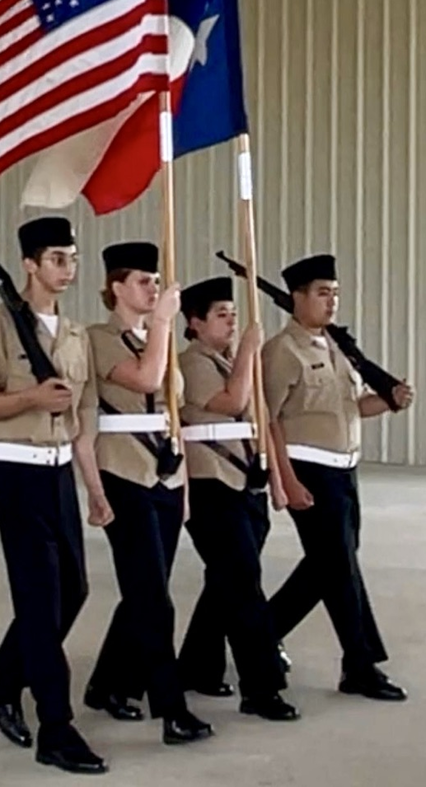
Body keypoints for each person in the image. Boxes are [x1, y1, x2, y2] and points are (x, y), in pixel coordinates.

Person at [0, 216, 112, 775]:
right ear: (29, 264)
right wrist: (32, 397)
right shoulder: (0, 324)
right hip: (15, 471)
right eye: (56, 258)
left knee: (72, 589)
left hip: (57, 474)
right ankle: (56, 727)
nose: (67, 268)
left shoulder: (75, 336)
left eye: (72, 258)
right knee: (38, 599)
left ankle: (1, 683)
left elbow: (82, 423)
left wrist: (94, 491)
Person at [262, 253, 414, 701]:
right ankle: (360, 665)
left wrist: (390, 400)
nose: (332, 303)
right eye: (323, 293)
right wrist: (285, 479)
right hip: (309, 470)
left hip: (344, 469)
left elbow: (351, 407)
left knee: (329, 565)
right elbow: (268, 420)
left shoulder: (337, 348)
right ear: (297, 298)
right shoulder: (282, 351)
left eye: (336, 294)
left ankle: (262, 630)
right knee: (341, 569)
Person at [83, 241, 213, 745]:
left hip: (164, 472)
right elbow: (145, 378)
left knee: (145, 589)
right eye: (142, 280)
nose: (154, 288)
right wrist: (162, 323)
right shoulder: (100, 338)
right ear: (116, 287)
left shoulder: (152, 335)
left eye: (156, 281)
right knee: (154, 600)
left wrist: (182, 485)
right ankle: (170, 708)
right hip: (124, 473)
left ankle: (108, 684)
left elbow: (173, 404)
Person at [176, 277, 299, 721]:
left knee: (224, 583)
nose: (231, 322)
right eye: (221, 315)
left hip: (246, 485)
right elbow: (231, 403)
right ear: (194, 323)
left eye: (233, 313)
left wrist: (279, 486)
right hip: (211, 486)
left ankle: (197, 665)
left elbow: (261, 416)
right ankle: (262, 687)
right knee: (244, 585)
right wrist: (249, 349)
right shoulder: (191, 362)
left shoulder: (232, 361)